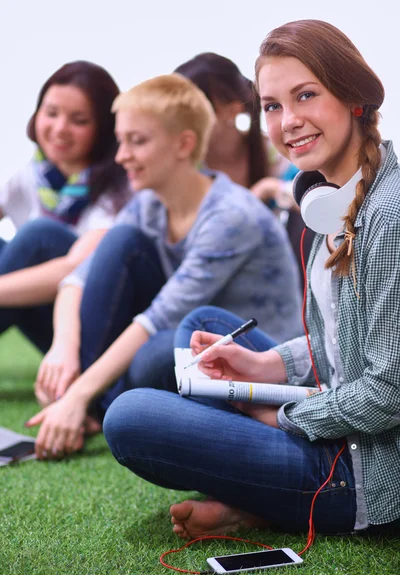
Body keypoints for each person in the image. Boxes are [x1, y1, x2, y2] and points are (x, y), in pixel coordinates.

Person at [103, 20, 400, 539]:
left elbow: (390, 389)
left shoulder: (389, 217)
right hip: (336, 413)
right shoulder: (326, 203)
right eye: (272, 105)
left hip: (364, 470)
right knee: (204, 326)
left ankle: (266, 500)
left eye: (306, 95)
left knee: (129, 417)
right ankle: (262, 494)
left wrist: (279, 415)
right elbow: (341, 343)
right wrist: (266, 364)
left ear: (355, 98)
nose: (288, 121)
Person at [26, 73, 302, 458]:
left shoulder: (230, 215)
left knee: (155, 355)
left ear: (183, 145)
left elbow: (156, 319)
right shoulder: (148, 203)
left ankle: (86, 403)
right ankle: (82, 405)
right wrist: (63, 350)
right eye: (121, 141)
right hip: (188, 333)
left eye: (136, 142)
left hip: (249, 353)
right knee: (119, 243)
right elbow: (77, 279)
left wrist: (78, 391)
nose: (121, 155)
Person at [0, 60, 130, 354]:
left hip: (83, 328)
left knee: (40, 235)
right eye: (51, 113)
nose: (60, 129)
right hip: (39, 306)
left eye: (79, 120)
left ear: (104, 128)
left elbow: (72, 269)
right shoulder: (34, 173)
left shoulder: (121, 186)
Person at [175, 52, 313, 282]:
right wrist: (259, 194)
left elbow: (320, 205)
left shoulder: (279, 155)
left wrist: (272, 188)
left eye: (193, 109)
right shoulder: (185, 170)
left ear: (232, 109)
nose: (181, 122)